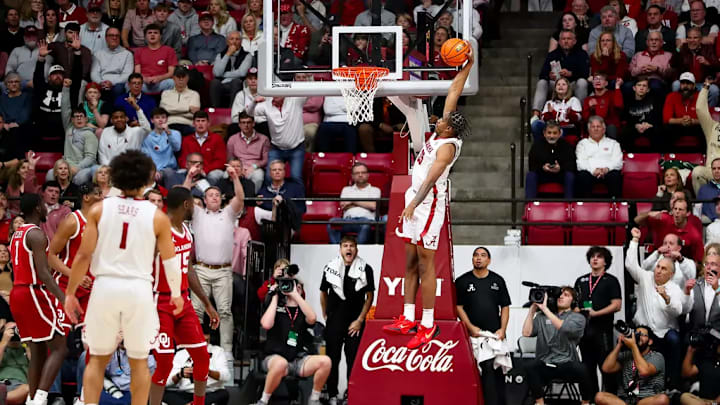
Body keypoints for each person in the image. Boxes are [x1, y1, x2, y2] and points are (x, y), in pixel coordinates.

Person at [64, 150, 184, 405]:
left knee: (96, 359)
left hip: (105, 286)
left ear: (115, 177)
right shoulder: (158, 217)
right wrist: (176, 294)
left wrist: (70, 293)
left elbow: (83, 256)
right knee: (139, 361)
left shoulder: (98, 210)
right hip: (138, 289)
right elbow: (170, 262)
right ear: (147, 181)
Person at [385, 43, 473, 349]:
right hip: (416, 202)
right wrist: (467, 67)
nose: (438, 119)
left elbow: (430, 181)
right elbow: (453, 93)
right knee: (409, 262)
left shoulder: (448, 147)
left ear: (449, 129)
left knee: (425, 266)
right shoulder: (442, 132)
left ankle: (427, 325)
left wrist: (411, 204)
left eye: (442, 120)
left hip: (428, 204)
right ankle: (408, 316)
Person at [149, 187, 220, 405]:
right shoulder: (158, 230)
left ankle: (198, 403)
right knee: (164, 363)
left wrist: (207, 304)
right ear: (186, 205)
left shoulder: (187, 231)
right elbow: (142, 267)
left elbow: (188, 270)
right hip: (160, 302)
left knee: (201, 358)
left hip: (184, 301)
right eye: (193, 204)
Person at [9, 194, 67, 405]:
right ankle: (40, 399)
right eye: (43, 205)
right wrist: (64, 298)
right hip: (32, 291)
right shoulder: (36, 235)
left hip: (18, 292)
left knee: (38, 350)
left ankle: (32, 399)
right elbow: (43, 273)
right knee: (60, 346)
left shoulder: (17, 233)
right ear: (37, 208)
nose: (46, 208)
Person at [187, 166, 245, 358]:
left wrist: (235, 177)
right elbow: (180, 196)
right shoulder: (197, 214)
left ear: (221, 199)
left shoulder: (228, 214)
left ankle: (227, 352)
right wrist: (189, 176)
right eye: (210, 195)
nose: (213, 197)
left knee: (224, 311)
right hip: (201, 270)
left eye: (217, 195)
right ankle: (192, 348)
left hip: (223, 272)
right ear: (204, 199)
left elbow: (240, 198)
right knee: (195, 310)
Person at [255, 266, 331, 405]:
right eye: (289, 285)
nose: (290, 288)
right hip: (274, 358)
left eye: (296, 286)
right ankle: (263, 401)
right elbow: (266, 324)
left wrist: (296, 295)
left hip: (296, 360)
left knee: (326, 362)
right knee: (280, 363)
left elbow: (312, 318)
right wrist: (275, 297)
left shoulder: (302, 310)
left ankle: (314, 399)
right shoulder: (276, 307)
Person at [626, 227, 684, 389]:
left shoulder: (674, 288)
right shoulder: (646, 277)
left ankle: (673, 384)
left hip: (664, 332)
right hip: (644, 330)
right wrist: (635, 240)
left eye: (663, 269)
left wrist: (666, 297)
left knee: (674, 339)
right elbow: (631, 265)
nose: (658, 271)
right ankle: (632, 386)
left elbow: (678, 310)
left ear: (671, 274)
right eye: (658, 267)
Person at [320, 236, 375, 404]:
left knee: (353, 360)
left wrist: (360, 320)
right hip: (334, 322)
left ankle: (351, 393)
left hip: (355, 323)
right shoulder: (330, 267)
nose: (348, 249)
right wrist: (326, 315)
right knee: (332, 359)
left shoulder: (366, 269)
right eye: (345, 246)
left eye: (351, 246)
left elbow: (369, 296)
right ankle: (332, 395)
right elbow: (323, 292)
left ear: (356, 249)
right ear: (340, 249)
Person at [454, 247, 510, 405]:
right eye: (476, 255)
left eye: (483, 255)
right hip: (472, 337)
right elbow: (458, 307)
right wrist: (471, 327)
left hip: (494, 336)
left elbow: (505, 307)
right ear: (472, 259)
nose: (478, 258)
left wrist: (503, 330)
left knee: (497, 374)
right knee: (482, 374)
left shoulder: (497, 280)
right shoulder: (462, 281)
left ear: (489, 260)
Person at [47, 183, 103, 335]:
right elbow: (51, 256)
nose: (102, 197)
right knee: (61, 339)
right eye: (98, 194)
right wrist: (74, 274)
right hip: (65, 286)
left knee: (88, 339)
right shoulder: (72, 221)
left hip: (90, 288)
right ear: (86, 198)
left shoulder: (103, 224)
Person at [521, 287, 591, 405]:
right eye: (560, 294)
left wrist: (545, 309)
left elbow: (564, 328)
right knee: (530, 365)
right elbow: (526, 333)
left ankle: (585, 402)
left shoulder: (578, 318)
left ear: (573, 301)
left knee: (583, 368)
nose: (561, 297)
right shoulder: (541, 317)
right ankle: (540, 402)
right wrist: (532, 311)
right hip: (546, 363)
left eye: (566, 295)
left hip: (567, 364)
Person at [574, 246, 622, 397]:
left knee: (606, 366)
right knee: (588, 367)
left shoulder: (611, 281)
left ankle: (611, 398)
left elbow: (617, 305)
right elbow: (574, 303)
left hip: (603, 330)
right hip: (585, 331)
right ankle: (591, 399)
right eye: (592, 256)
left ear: (605, 262)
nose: (595, 259)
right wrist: (576, 311)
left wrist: (596, 313)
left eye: (599, 257)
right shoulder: (581, 280)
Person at [595, 326, 669, 405]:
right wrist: (619, 345)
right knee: (599, 396)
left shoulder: (657, 356)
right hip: (625, 401)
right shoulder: (626, 355)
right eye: (637, 334)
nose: (639, 337)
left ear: (650, 341)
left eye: (643, 335)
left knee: (663, 399)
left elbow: (644, 371)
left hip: (646, 400)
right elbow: (606, 368)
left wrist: (633, 346)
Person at [163, 325, 230, 405]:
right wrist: (180, 374)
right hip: (186, 393)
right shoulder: (181, 354)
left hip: (209, 392)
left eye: (206, 341)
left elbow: (226, 376)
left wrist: (208, 372)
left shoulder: (217, 351)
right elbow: (166, 382)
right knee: (160, 393)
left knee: (223, 394)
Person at [532, 30, 590, 115]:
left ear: (574, 41)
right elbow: (542, 74)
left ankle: (580, 114)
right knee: (542, 82)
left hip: (572, 84)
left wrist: (571, 74)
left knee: (582, 82)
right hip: (556, 83)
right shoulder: (552, 55)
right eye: (563, 39)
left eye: (569, 39)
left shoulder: (582, 54)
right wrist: (549, 75)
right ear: (559, 42)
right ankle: (536, 114)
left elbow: (585, 73)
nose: (566, 41)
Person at [54, 79, 98, 186]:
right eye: (76, 117)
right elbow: (65, 109)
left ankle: (77, 201)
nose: (78, 119)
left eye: (81, 116)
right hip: (67, 165)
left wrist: (77, 168)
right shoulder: (69, 128)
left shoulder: (90, 134)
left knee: (80, 178)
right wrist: (65, 89)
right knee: (51, 174)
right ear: (72, 120)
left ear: (86, 119)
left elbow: (90, 158)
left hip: (84, 167)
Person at [634, 199, 704, 264]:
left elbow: (698, 261)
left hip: (681, 267)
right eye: (675, 209)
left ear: (688, 213)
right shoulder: (663, 219)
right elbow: (637, 221)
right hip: (659, 262)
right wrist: (648, 214)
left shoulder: (694, 234)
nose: (677, 212)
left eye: (680, 210)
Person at [327, 163, 381, 245]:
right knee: (332, 222)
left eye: (363, 172)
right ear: (352, 176)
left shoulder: (375, 190)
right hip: (348, 220)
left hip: (366, 221)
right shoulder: (346, 190)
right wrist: (365, 203)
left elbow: (373, 206)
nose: (360, 175)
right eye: (357, 173)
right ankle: (338, 250)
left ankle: (356, 251)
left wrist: (352, 201)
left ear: (368, 175)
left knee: (366, 225)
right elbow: (343, 205)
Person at [574, 116, 623, 198]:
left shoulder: (614, 143)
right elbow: (580, 163)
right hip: (590, 172)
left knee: (615, 175)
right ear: (589, 130)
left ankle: (615, 204)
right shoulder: (582, 144)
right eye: (593, 127)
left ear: (604, 129)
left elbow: (618, 162)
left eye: (598, 126)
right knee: (582, 175)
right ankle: (585, 205)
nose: (596, 129)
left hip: (608, 172)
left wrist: (607, 169)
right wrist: (593, 170)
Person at [526, 120, 576, 199]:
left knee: (570, 176)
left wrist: (560, 168)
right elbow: (532, 165)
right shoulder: (537, 145)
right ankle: (530, 206)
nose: (552, 136)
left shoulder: (566, 145)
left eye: (554, 133)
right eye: (549, 133)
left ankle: (569, 206)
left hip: (560, 174)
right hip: (543, 174)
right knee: (530, 176)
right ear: (544, 133)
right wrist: (542, 167)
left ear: (560, 134)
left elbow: (572, 165)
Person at [672, 27, 720, 107]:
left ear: (700, 39)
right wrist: (677, 50)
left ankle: (708, 114)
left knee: (714, 90)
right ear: (686, 39)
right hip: (686, 83)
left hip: (703, 83)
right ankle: (680, 110)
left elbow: (718, 66)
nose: (692, 40)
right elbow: (672, 64)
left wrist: (707, 62)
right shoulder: (682, 49)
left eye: (695, 38)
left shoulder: (708, 49)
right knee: (676, 85)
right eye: (689, 38)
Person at [177, 111, 226, 186]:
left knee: (215, 174)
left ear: (208, 123)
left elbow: (221, 161)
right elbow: (183, 160)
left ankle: (208, 194)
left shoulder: (217, 139)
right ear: (193, 124)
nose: (200, 124)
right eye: (198, 121)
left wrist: (205, 170)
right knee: (179, 173)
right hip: (191, 170)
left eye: (203, 121)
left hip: (209, 171)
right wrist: (192, 169)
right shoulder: (186, 140)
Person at [225, 112, 269, 191]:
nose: (246, 125)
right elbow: (230, 159)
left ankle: (252, 199)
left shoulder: (263, 139)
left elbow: (265, 160)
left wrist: (253, 167)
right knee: (225, 175)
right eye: (243, 122)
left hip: (254, 167)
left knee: (258, 176)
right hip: (237, 166)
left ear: (253, 123)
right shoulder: (232, 139)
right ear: (239, 124)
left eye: (248, 122)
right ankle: (232, 199)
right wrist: (238, 168)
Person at [90, 26, 134, 102]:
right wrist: (102, 83)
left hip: (119, 83)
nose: (114, 38)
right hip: (101, 82)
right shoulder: (98, 54)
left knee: (118, 88)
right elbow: (94, 73)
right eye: (111, 35)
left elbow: (127, 74)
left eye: (117, 36)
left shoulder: (127, 54)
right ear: (106, 38)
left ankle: (116, 112)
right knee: (93, 88)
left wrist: (112, 83)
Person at [620, 76, 664, 151]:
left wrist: (650, 124)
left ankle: (657, 157)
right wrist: (636, 125)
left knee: (658, 131)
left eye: (644, 86)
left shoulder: (654, 100)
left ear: (648, 90)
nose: (641, 88)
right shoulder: (627, 100)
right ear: (634, 88)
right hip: (634, 127)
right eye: (639, 85)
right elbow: (625, 118)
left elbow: (658, 117)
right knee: (625, 132)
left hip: (649, 126)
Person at [210, 31, 252, 108]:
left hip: (238, 84)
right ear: (227, 41)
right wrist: (228, 54)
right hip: (222, 83)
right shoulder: (220, 55)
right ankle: (215, 110)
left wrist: (223, 74)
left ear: (241, 41)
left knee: (236, 82)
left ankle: (232, 110)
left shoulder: (247, 55)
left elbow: (242, 73)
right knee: (214, 82)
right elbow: (216, 73)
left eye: (237, 39)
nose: (234, 41)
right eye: (231, 39)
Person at [133, 24, 177, 94]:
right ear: (145, 36)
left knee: (172, 82)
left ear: (160, 36)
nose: (152, 35)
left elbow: (171, 73)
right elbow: (137, 73)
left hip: (162, 83)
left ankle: (166, 103)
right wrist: (145, 79)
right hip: (144, 83)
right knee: (129, 84)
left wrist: (159, 78)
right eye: (149, 33)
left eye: (155, 33)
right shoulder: (139, 51)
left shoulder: (169, 50)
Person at [663, 72, 703, 150]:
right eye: (683, 83)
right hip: (678, 126)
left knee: (706, 129)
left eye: (688, 83)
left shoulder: (701, 97)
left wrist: (692, 121)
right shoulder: (672, 96)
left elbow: (706, 119)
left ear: (694, 85)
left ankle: (706, 158)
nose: (685, 86)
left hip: (694, 126)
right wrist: (681, 121)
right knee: (666, 129)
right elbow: (666, 119)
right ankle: (667, 157)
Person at [160, 66, 201, 136]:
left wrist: (171, 111)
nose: (181, 79)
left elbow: (194, 114)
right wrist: (188, 109)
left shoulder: (194, 94)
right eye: (178, 76)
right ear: (173, 78)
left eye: (183, 76)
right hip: (169, 124)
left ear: (187, 78)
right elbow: (164, 111)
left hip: (187, 125)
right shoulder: (165, 93)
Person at [0, 321, 30, 405]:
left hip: (19, 387)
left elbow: (37, 368)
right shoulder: (1, 346)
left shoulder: (26, 349)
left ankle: (2, 398)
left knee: (27, 388)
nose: (14, 332)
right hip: (0, 384)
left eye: (17, 329)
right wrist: (4, 341)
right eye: (11, 329)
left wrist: (27, 343)